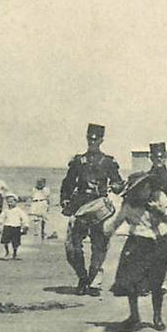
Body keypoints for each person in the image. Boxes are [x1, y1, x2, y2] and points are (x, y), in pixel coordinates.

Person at [105, 173, 167, 332]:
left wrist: (158, 211)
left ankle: (157, 317)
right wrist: (106, 231)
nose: (145, 190)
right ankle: (134, 315)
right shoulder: (130, 204)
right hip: (138, 242)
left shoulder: (159, 197)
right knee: (131, 281)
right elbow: (117, 221)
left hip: (159, 242)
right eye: (141, 188)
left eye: (146, 186)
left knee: (156, 282)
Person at [61, 123, 123, 296]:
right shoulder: (78, 161)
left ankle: (94, 281)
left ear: (102, 140)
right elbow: (68, 183)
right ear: (87, 138)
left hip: (99, 208)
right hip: (80, 206)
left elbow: (117, 182)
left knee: (99, 246)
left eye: (96, 139)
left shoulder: (109, 162)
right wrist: (65, 199)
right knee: (72, 247)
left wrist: (117, 186)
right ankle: (82, 277)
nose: (92, 142)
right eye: (90, 138)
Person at [0, 194, 28, 260]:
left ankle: (15, 253)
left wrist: (25, 225)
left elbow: (24, 218)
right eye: (8, 202)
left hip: (16, 227)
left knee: (15, 242)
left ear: (15, 202)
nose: (9, 203)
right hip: (7, 226)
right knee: (5, 241)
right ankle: (7, 252)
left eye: (11, 202)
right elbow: (1, 218)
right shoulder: (6, 210)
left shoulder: (19, 210)